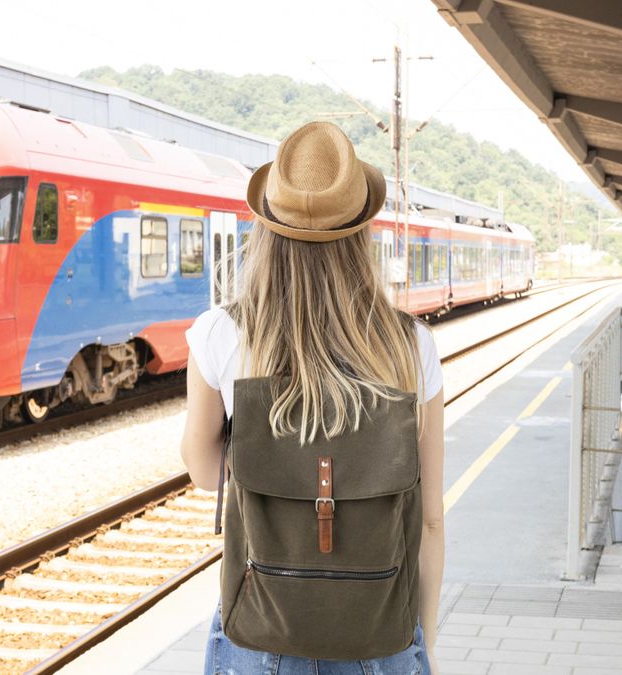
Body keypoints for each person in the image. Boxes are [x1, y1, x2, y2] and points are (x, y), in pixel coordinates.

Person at [180, 121, 446, 675]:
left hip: (259, 634)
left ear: (265, 230)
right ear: (361, 234)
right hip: (382, 637)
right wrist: (425, 644)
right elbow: (429, 523)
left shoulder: (221, 333)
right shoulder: (411, 344)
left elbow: (206, 475)